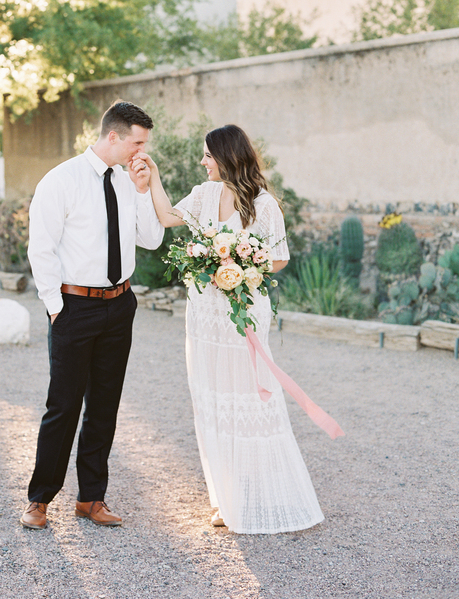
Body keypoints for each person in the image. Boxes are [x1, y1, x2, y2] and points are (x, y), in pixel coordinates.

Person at [139, 124, 326, 534]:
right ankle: (227, 496)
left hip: (243, 312)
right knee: (212, 397)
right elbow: (169, 217)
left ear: (226, 157)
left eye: (207, 155)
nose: (202, 162)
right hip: (204, 314)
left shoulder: (264, 205)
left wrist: (239, 267)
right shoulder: (204, 195)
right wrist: (152, 176)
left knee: (248, 397)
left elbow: (277, 260)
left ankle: (262, 492)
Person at [21, 101, 164, 530]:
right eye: (137, 142)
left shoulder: (126, 181)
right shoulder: (61, 180)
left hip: (120, 305)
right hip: (74, 307)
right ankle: (39, 500)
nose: (142, 151)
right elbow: (40, 247)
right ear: (114, 136)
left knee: (105, 405)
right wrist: (55, 307)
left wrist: (143, 189)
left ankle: (91, 499)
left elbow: (152, 239)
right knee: (62, 406)